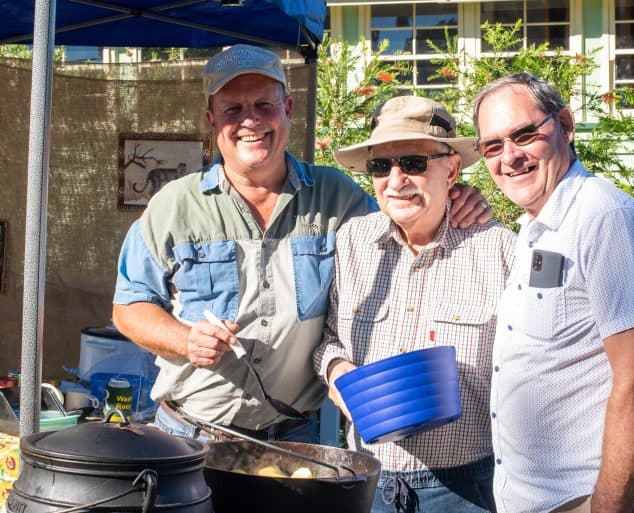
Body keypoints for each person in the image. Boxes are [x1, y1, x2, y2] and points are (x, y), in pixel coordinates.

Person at [111, 45, 489, 442]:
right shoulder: (172, 206)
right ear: (211, 120)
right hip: (190, 437)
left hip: (298, 440)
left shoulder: (336, 198)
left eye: (263, 104)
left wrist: (455, 196)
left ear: (288, 108)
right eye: (233, 109)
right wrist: (184, 339)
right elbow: (128, 306)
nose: (250, 121)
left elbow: (407, 222)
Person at [473, 72, 634, 513]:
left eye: (524, 134)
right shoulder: (534, 227)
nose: (509, 157)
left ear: (565, 125)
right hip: (536, 499)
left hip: (594, 499)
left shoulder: (610, 219)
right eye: (492, 146)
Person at [314, 95, 515, 513]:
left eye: (414, 162)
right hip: (369, 479)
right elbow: (328, 338)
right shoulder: (352, 242)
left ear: (452, 168)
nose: (396, 178)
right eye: (380, 166)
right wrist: (339, 376)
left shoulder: (500, 251)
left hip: (468, 485)